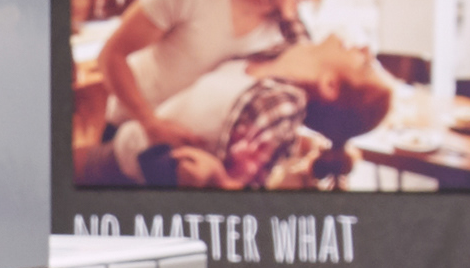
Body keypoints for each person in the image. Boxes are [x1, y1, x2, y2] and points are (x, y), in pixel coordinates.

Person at [97, 0, 343, 174]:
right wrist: (151, 124)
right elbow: (111, 56)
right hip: (129, 130)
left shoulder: (285, 32)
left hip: (192, 156)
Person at [104, 32, 395, 188]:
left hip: (129, 169)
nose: (367, 50)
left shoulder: (281, 105)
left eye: (366, 65)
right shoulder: (283, 56)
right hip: (126, 138)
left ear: (330, 85)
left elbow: (243, 196)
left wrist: (217, 179)